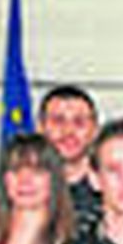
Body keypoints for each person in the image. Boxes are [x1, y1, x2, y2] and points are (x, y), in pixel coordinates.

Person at [37, 84, 103, 234]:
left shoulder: (115, 191)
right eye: (58, 121)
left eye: (79, 122)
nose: (68, 131)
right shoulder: (20, 189)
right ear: (40, 128)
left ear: (95, 130)